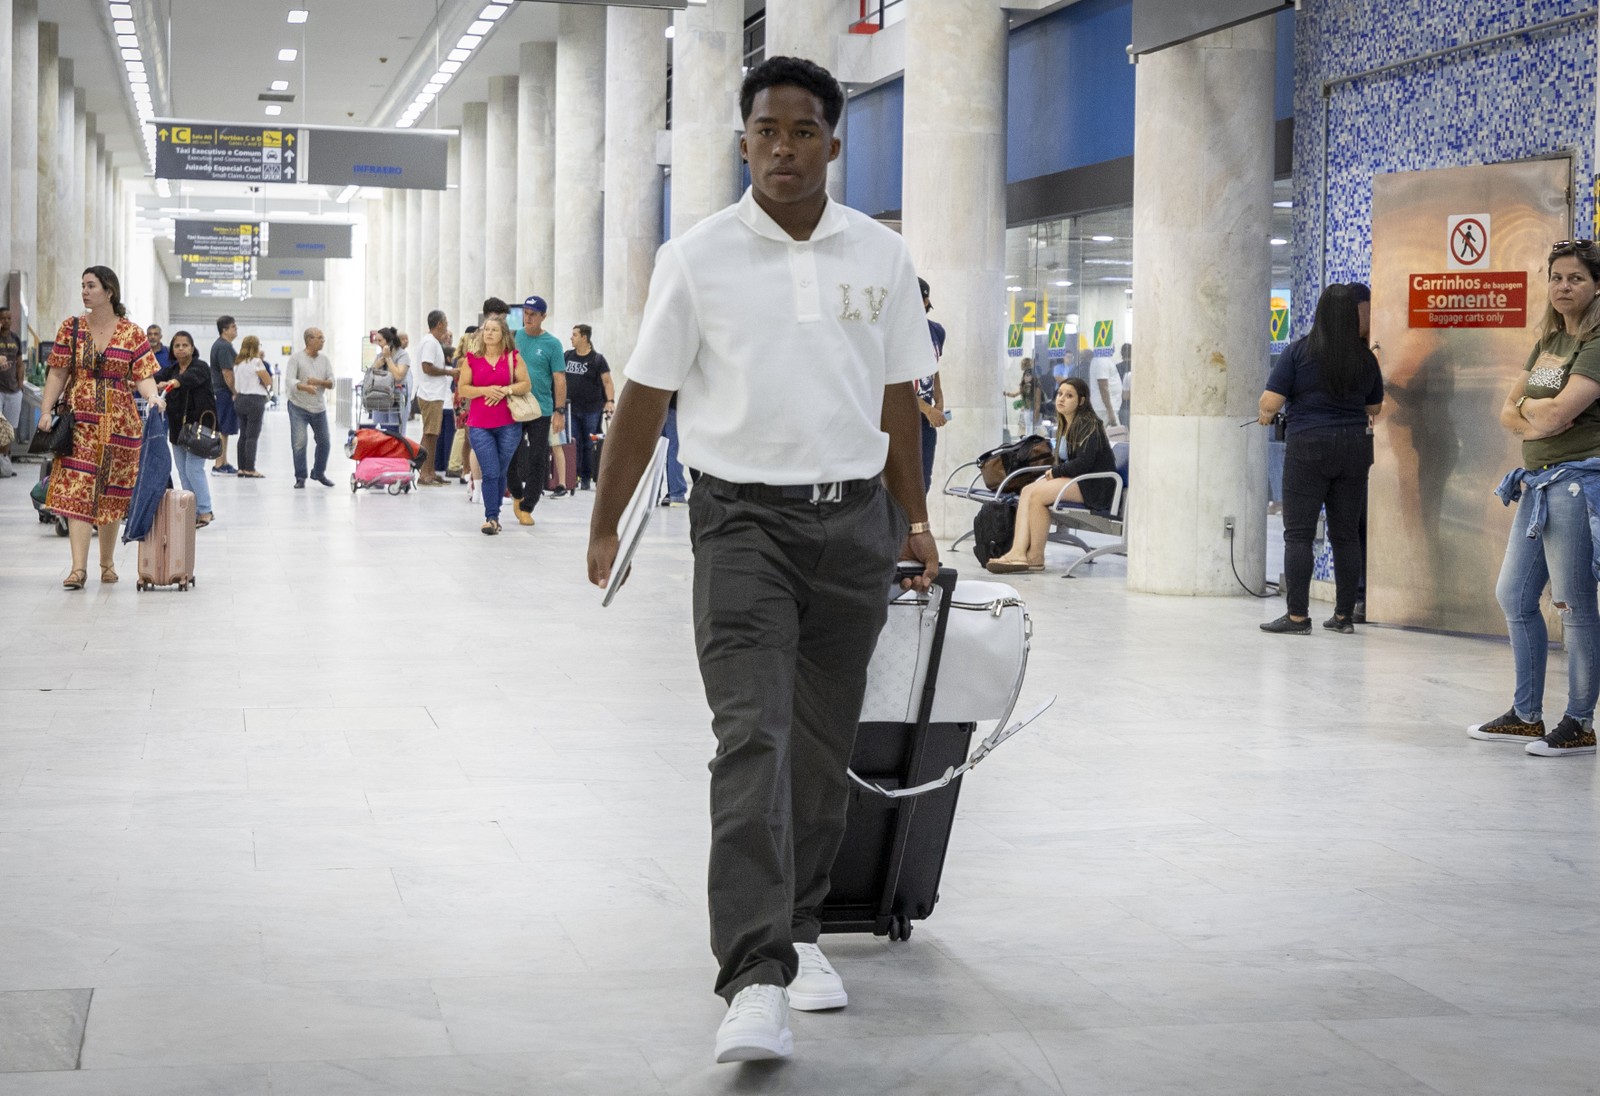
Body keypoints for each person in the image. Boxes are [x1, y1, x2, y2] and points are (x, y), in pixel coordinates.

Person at [585, 56, 938, 1065]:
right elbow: (645, 396)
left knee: (821, 751)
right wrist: (604, 519)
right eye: (764, 132)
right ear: (743, 142)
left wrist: (913, 519)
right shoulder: (696, 256)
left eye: (801, 131)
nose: (781, 149)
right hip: (740, 527)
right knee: (753, 738)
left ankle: (801, 928)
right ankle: (750, 975)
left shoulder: (879, 255)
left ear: (834, 140)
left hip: (853, 528)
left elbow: (897, 402)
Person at [1470, 239, 1600, 758]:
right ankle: (1527, 715)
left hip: (1575, 483)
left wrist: (1530, 412)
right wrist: (1533, 412)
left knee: (1573, 605)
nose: (1564, 287)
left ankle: (1580, 720)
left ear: (1597, 286)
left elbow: (1546, 415)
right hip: (1537, 481)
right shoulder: (1551, 343)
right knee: (1515, 596)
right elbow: (1509, 412)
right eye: (1556, 278)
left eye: (1576, 278)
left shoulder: (1596, 341)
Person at [1257, 283, 1384, 635]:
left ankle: (1297, 616)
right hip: (1354, 449)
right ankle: (1343, 616)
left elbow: (1270, 402)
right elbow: (1374, 406)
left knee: (1298, 535)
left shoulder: (1299, 352)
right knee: (1345, 535)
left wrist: (1268, 415)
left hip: (1308, 447)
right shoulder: (1366, 358)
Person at [36, 266, 166, 589]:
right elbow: (57, 373)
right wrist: (45, 410)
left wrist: (153, 398)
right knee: (77, 492)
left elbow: (143, 375)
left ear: (109, 292)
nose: (84, 291)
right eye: (82, 285)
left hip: (120, 425)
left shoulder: (132, 333)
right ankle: (78, 569)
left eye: (91, 285)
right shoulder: (72, 328)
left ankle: (106, 563)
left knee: (111, 493)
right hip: (78, 422)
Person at [985, 376, 1115, 574]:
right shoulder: (1065, 424)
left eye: (1069, 396)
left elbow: (1084, 463)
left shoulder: (1090, 424)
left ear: (1081, 401)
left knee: (1038, 496)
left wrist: (1056, 472)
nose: (1061, 399)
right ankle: (1018, 552)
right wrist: (1057, 472)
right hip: (1077, 480)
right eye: (1060, 394)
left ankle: (1034, 555)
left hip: (1095, 486)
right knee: (1028, 490)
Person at [460, 314, 531, 534]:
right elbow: (463, 388)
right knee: (490, 470)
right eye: (486, 329)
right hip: (480, 423)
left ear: (503, 335)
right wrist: (485, 390)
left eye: (494, 330)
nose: (489, 333)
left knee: (500, 470)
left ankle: (495, 514)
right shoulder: (471, 359)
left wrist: (505, 390)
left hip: (509, 423)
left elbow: (526, 384)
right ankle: (491, 518)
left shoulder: (513, 358)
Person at [508, 295, 566, 520]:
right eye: (525, 313)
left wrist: (559, 412)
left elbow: (560, 379)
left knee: (538, 458)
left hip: (541, 409)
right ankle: (517, 493)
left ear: (543, 316)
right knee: (510, 454)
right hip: (516, 406)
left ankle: (528, 506)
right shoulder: (516, 337)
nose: (528, 317)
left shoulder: (553, 344)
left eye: (533, 314)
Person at [154, 330, 216, 526]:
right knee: (182, 471)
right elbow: (154, 378)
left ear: (192, 347)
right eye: (177, 345)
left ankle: (205, 510)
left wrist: (172, 383)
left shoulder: (201, 367)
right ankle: (192, 510)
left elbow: (188, 379)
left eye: (185, 345)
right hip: (177, 430)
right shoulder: (171, 369)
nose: (181, 348)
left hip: (198, 429)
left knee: (193, 469)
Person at [565, 324, 614, 491]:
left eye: (575, 335)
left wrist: (610, 401)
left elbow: (607, 381)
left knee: (588, 443)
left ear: (584, 338)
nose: (571, 338)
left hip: (592, 409)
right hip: (571, 408)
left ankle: (586, 476)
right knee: (573, 442)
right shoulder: (567, 356)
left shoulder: (597, 359)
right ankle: (574, 475)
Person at [285, 327, 335, 488]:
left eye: (323, 338)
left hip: (318, 407)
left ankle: (318, 473)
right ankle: (300, 477)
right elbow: (290, 381)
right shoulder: (296, 359)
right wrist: (305, 387)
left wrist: (318, 382)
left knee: (325, 442)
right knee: (299, 442)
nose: (322, 341)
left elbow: (332, 382)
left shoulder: (324, 360)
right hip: (298, 406)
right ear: (309, 340)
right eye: (319, 338)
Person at [415, 309, 455, 486]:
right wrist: (449, 371)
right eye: (445, 321)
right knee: (430, 435)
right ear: (439, 324)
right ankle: (425, 473)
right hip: (430, 394)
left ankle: (430, 471)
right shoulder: (430, 343)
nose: (447, 325)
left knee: (433, 434)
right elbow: (427, 367)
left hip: (433, 394)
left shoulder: (433, 342)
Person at [915, 277, 948, 493]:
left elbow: (934, 368)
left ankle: (915, 526)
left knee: (923, 480)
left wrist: (939, 399)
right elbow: (894, 384)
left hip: (925, 419)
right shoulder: (895, 332)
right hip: (901, 415)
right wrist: (927, 409)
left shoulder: (936, 331)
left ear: (925, 301)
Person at [231, 335, 271, 478]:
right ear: (256, 347)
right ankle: (250, 469)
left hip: (240, 399)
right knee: (252, 436)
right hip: (255, 400)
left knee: (243, 435)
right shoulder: (256, 362)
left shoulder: (237, 363)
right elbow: (268, 380)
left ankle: (241, 468)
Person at [208, 315, 239, 475]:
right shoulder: (224, 347)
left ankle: (223, 461)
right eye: (233, 327)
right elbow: (227, 372)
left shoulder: (223, 345)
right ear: (224, 330)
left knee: (225, 429)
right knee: (222, 429)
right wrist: (235, 392)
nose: (236, 329)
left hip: (222, 392)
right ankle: (219, 463)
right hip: (223, 392)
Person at [372, 327, 411, 436]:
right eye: (376, 340)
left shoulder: (402, 355)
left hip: (397, 396)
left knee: (395, 430)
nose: (377, 343)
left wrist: (388, 359)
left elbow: (398, 376)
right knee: (379, 429)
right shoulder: (379, 356)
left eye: (380, 341)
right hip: (380, 396)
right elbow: (370, 376)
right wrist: (376, 366)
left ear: (389, 342)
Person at [0, 307, 22, 478]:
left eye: (9, 318)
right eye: (3, 318)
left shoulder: (15, 339)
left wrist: (20, 385)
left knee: (9, 429)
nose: (7, 321)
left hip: (13, 391)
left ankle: (4, 463)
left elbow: (20, 364)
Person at [1089, 347, 1123, 428]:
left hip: (1107, 409)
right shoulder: (1101, 360)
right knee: (1115, 436)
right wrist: (1110, 411)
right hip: (1104, 409)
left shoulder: (1106, 360)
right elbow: (1103, 386)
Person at [1004, 356, 1038, 436]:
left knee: (1028, 427)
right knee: (1028, 426)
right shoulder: (1030, 373)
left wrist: (1017, 396)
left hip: (1029, 405)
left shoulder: (1028, 373)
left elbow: (1027, 388)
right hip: (1028, 405)